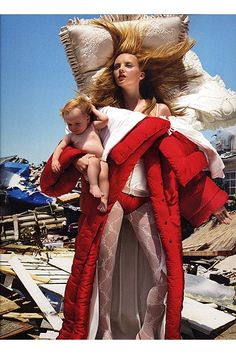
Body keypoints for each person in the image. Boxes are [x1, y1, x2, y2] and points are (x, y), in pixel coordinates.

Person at [40, 19, 231, 340]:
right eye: (115, 66)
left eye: (128, 65)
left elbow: (179, 159)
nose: (120, 70)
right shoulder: (103, 114)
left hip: (145, 199)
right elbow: (76, 145)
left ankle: (148, 332)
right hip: (111, 198)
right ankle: (104, 332)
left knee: (162, 271)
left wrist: (212, 202)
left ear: (141, 74)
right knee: (104, 267)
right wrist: (79, 158)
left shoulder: (160, 112)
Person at [51, 95, 109, 213]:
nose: (73, 127)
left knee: (104, 177)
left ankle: (104, 200)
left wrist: (92, 109)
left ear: (87, 119)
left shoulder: (92, 127)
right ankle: (93, 186)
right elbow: (59, 148)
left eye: (77, 123)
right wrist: (55, 160)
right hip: (88, 162)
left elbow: (105, 120)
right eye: (69, 124)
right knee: (93, 162)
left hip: (101, 160)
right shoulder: (70, 136)